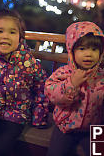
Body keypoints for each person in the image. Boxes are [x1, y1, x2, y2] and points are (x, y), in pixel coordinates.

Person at [0, 9, 49, 156]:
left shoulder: (29, 63)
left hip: (15, 116)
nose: (6, 36)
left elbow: (42, 89)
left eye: (12, 32)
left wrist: (39, 117)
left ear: (20, 37)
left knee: (1, 149)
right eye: (0, 31)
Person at [45, 21, 104, 156]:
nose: (89, 54)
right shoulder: (64, 73)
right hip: (65, 126)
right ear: (72, 50)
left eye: (94, 49)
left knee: (98, 153)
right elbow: (52, 94)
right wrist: (72, 83)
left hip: (95, 128)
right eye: (82, 49)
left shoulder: (101, 76)